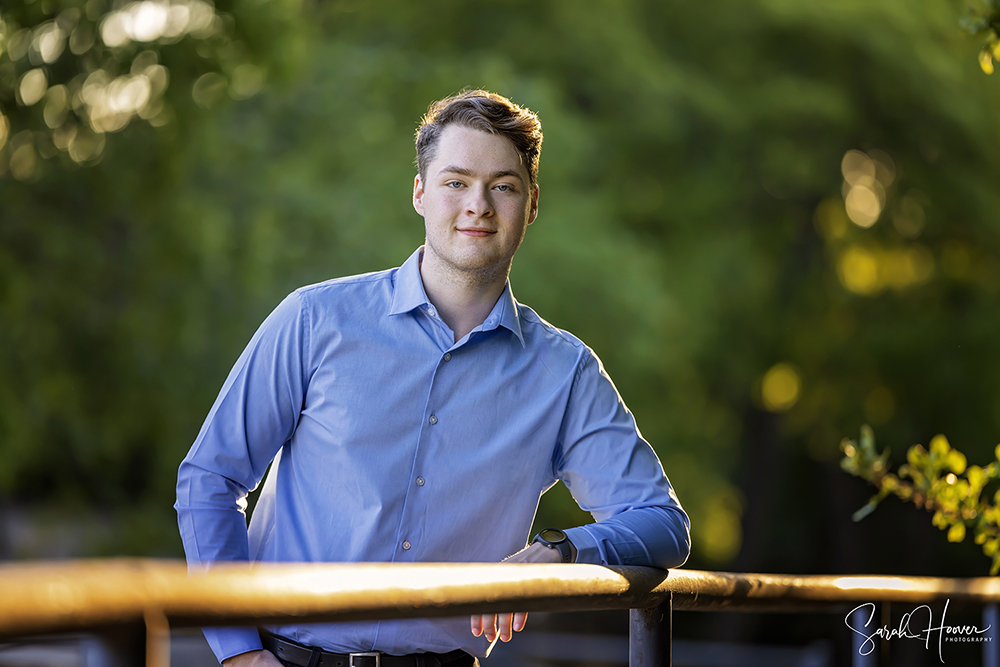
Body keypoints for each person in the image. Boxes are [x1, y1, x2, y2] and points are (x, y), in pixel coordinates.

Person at [175, 89, 690, 667]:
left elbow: (663, 522)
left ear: (532, 203)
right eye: (456, 182)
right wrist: (238, 652)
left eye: (503, 185)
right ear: (419, 192)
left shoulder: (564, 373)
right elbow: (210, 479)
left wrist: (561, 553)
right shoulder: (314, 320)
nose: (479, 205)